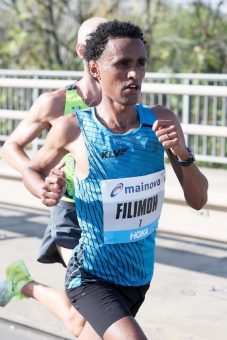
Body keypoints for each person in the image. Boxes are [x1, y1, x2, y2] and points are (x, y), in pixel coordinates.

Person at [21, 20, 208, 339]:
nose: (134, 74)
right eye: (122, 64)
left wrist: (182, 153)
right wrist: (45, 189)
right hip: (91, 275)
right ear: (94, 68)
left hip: (138, 275)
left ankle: (23, 285)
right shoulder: (73, 128)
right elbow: (32, 169)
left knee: (81, 330)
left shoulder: (161, 121)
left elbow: (198, 200)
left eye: (140, 63)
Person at [0, 17, 108, 337]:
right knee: (83, 321)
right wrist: (40, 180)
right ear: (81, 51)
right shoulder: (56, 102)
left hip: (107, 217)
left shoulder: (122, 105)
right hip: (70, 212)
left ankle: (22, 283)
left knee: (80, 319)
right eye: (98, 42)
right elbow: (11, 147)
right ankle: (24, 284)